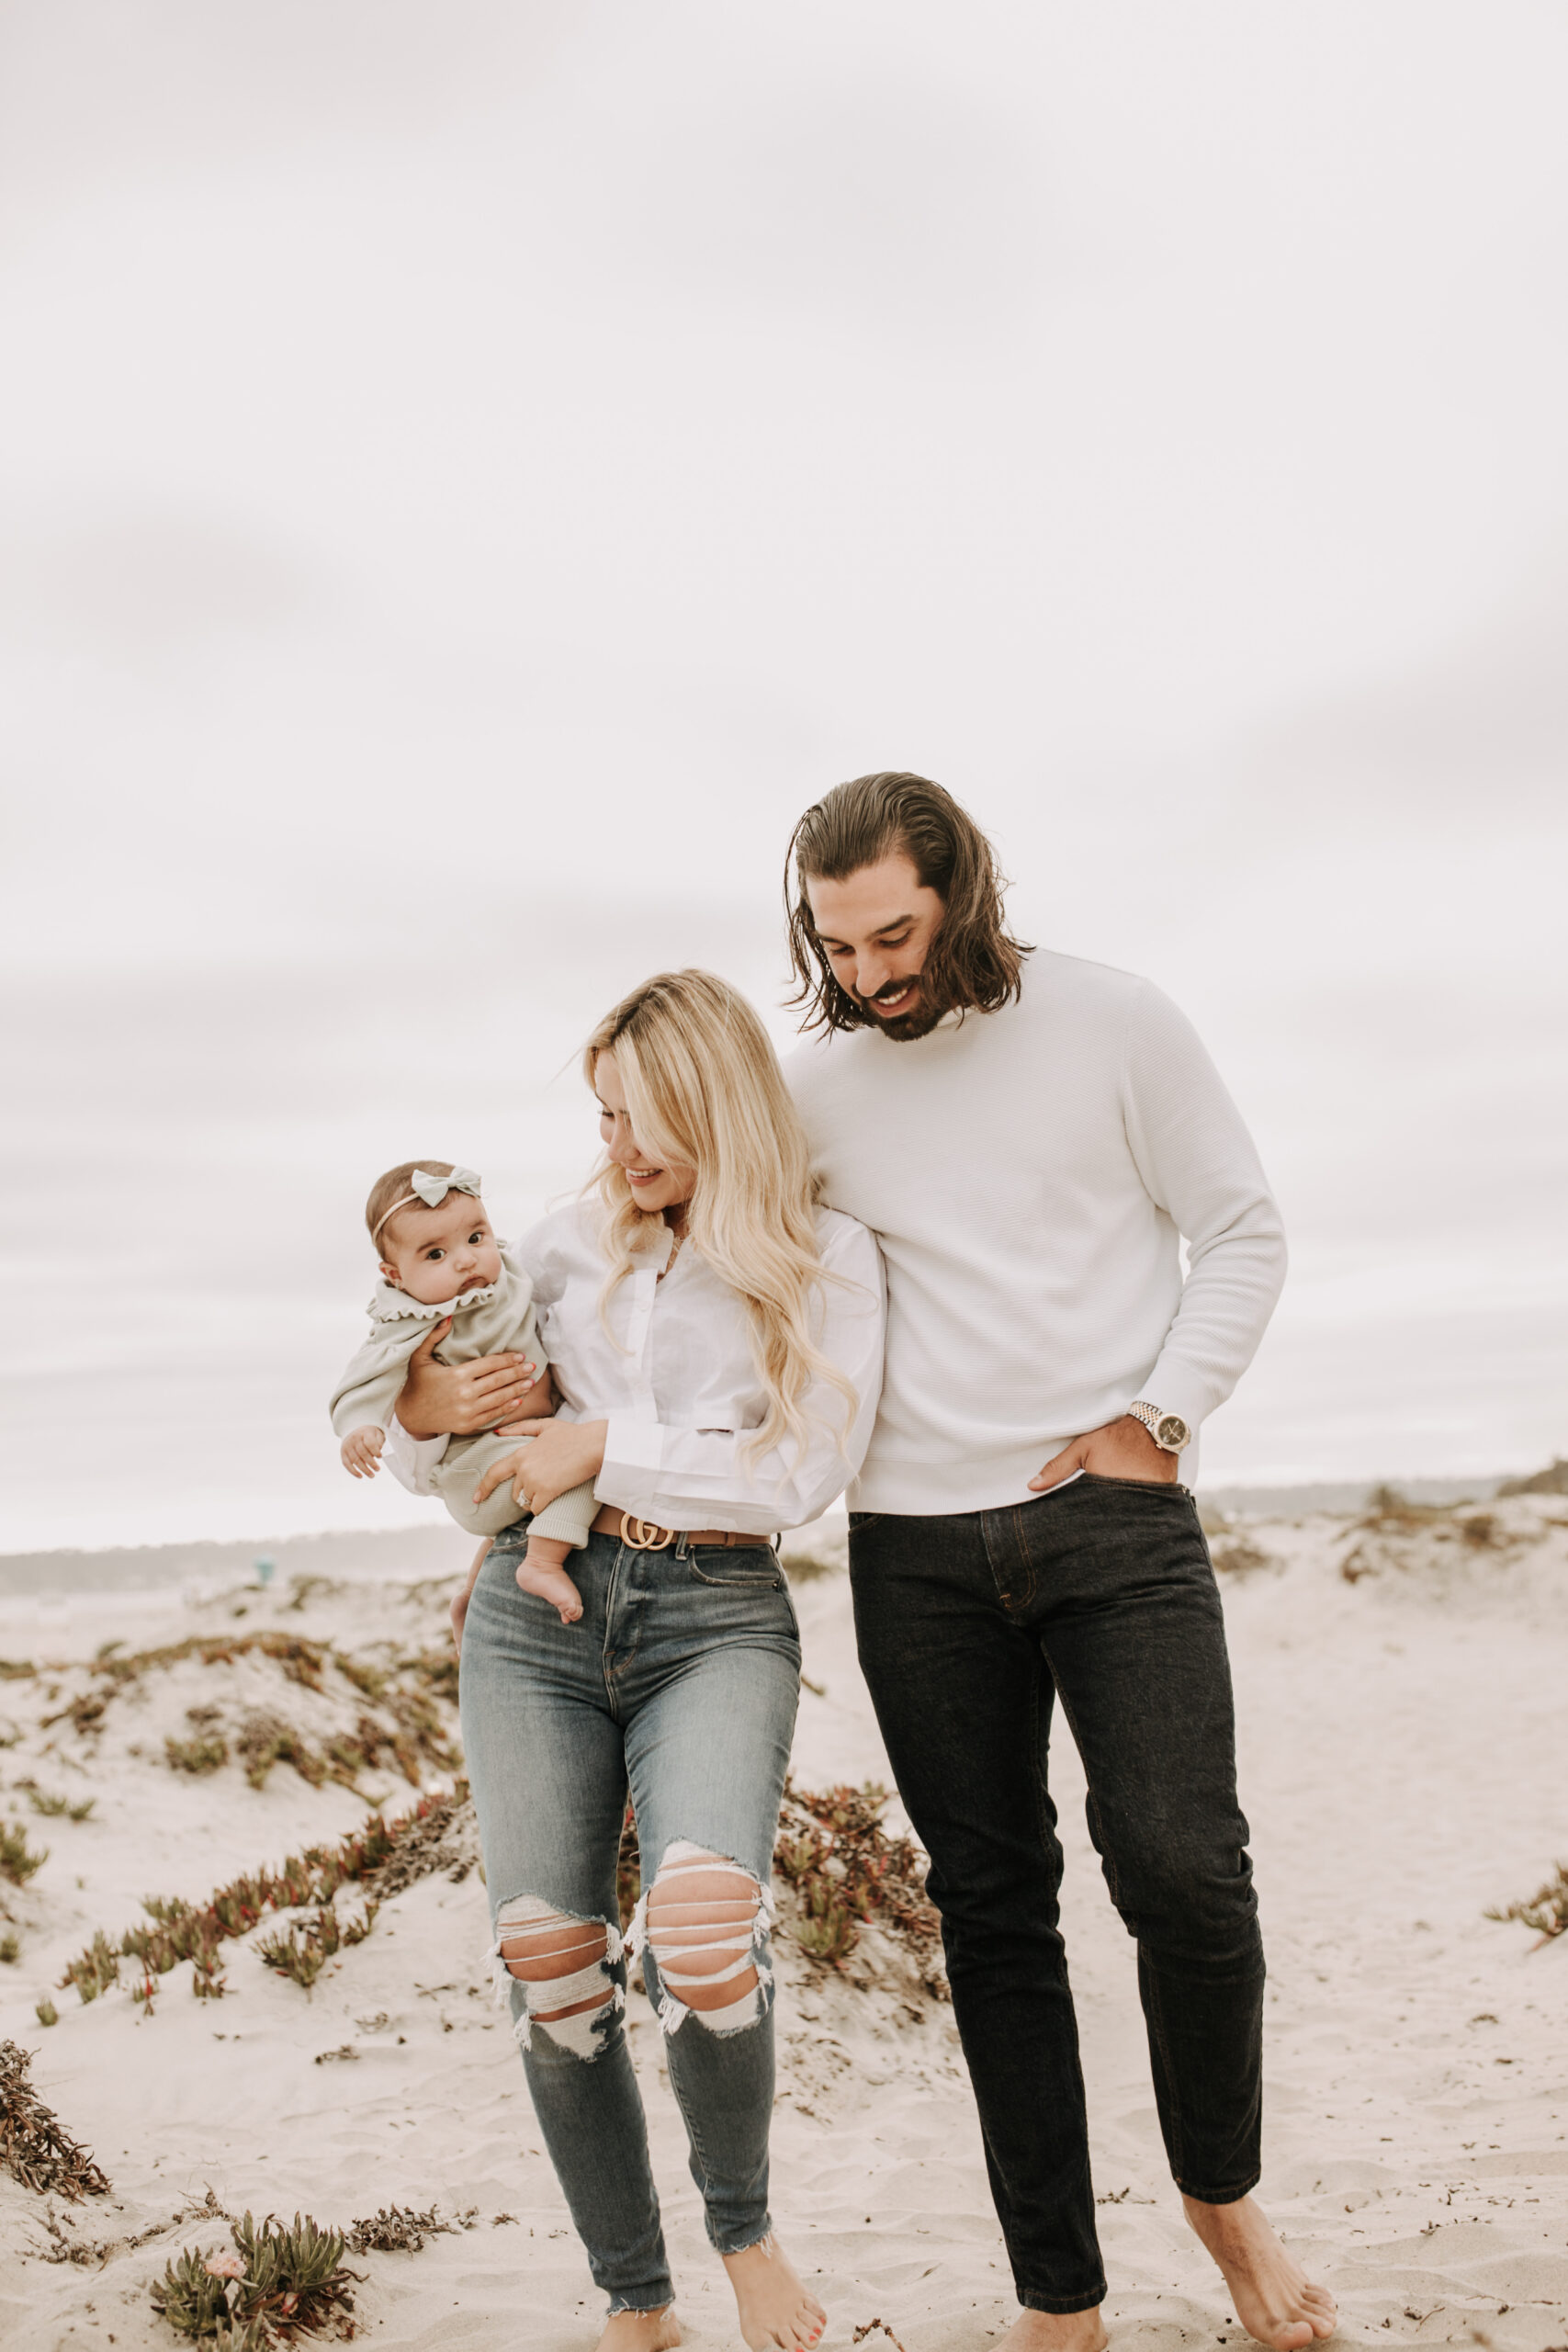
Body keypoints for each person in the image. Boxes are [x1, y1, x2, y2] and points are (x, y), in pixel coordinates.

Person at [782, 773, 1337, 2352]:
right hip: (912, 1551)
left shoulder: (1115, 1022)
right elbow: (701, 1238)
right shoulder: (813, 1086)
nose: (870, 974)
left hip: (1112, 1518)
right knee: (992, 1912)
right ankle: (1059, 2301)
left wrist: (1159, 1411)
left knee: (1182, 1869)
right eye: (838, 947)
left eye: (894, 934)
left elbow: (1239, 1226)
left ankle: (1221, 2203)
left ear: (961, 893)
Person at [384, 969, 885, 2352]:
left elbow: (797, 1473)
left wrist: (606, 1442)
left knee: (708, 1936)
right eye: (603, 1117)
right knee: (548, 1958)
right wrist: (429, 1408)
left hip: (714, 1614)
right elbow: (458, 1454)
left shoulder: (827, 1253)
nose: (618, 1148)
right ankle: (635, 2298)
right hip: (531, 1617)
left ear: (716, 1101)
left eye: (644, 1117)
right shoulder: (551, 1244)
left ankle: (742, 2232)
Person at [330, 1159, 594, 1623]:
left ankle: (472, 1598)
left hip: (524, 1442)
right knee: (587, 1467)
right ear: (395, 1275)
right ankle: (541, 1563)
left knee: (551, 1474)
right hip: (474, 1464)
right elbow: (367, 1376)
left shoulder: (510, 1277)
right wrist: (361, 1425)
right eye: (435, 1254)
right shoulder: (413, 1319)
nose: (465, 1259)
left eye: (475, 1238)